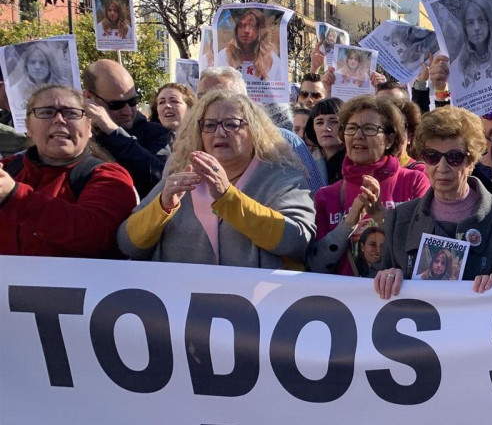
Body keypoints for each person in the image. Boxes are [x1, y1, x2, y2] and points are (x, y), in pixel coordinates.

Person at [117, 90, 316, 268]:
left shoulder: (282, 178)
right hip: (182, 305)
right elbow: (127, 243)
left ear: (255, 131)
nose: (220, 133)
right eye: (210, 125)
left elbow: (297, 240)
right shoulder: (181, 174)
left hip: (254, 305)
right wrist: (161, 207)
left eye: (232, 124)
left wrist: (228, 197)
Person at [373, 106, 492, 297]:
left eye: (454, 157)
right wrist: (387, 275)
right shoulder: (401, 218)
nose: (442, 167)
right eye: (432, 156)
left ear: (471, 163)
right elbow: (377, 282)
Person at [0, 85, 138, 257]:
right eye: (46, 112)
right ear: (28, 127)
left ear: (89, 127)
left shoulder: (108, 176)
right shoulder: (7, 169)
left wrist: (13, 196)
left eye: (71, 113)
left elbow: (94, 235)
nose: (59, 119)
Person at [308, 95, 430, 276]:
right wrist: (348, 223)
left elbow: (425, 256)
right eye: (351, 128)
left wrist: (381, 215)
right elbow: (316, 266)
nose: (358, 135)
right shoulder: (327, 196)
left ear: (389, 140)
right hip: (345, 301)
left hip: (396, 299)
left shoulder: (415, 182)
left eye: (369, 129)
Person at [198, 67, 324, 192]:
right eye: (202, 96)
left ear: (246, 101)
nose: (209, 103)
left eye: (220, 96)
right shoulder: (185, 145)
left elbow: (316, 198)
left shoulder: (285, 141)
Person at [82, 59, 175, 198]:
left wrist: (114, 133)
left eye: (132, 101)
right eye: (115, 104)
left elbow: (159, 178)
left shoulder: (158, 133)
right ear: (89, 98)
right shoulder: (80, 136)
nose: (127, 111)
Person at [223, 8, 286, 82]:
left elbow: (280, 88)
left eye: (252, 26)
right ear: (236, 30)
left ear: (259, 31)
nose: (246, 31)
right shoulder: (225, 55)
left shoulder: (271, 59)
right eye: (242, 25)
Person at [6, 42, 69, 107]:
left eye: (42, 63)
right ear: (26, 65)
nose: (37, 67)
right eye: (32, 62)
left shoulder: (63, 87)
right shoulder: (16, 89)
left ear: (50, 65)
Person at [304, 97, 345, 185]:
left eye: (334, 122)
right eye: (319, 122)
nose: (326, 128)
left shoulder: (357, 163)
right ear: (312, 127)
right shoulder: (306, 164)